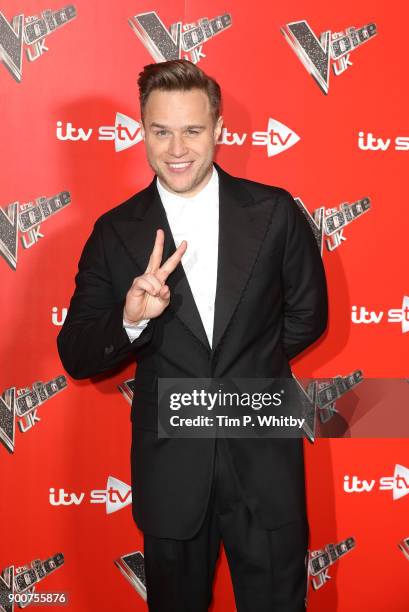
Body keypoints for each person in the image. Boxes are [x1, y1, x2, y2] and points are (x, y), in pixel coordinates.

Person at [57, 59, 328, 611]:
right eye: (161, 131)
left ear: (220, 130)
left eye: (192, 130)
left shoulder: (274, 213)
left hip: (263, 459)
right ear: (142, 131)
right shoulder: (115, 231)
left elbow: (307, 316)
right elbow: (77, 353)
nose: (177, 147)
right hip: (171, 473)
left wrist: (245, 376)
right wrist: (131, 319)